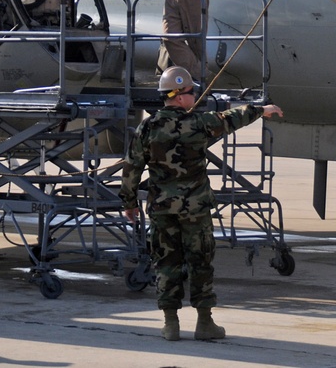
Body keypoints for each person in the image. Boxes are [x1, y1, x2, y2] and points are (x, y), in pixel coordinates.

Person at [119, 66, 283, 342]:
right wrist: (261, 109)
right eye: (191, 92)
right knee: (200, 262)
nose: (195, 96)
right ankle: (204, 323)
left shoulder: (147, 127)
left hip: (162, 208)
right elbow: (229, 119)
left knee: (166, 263)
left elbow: (132, 167)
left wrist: (129, 203)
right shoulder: (198, 123)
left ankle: (170, 323)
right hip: (195, 209)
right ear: (180, 96)